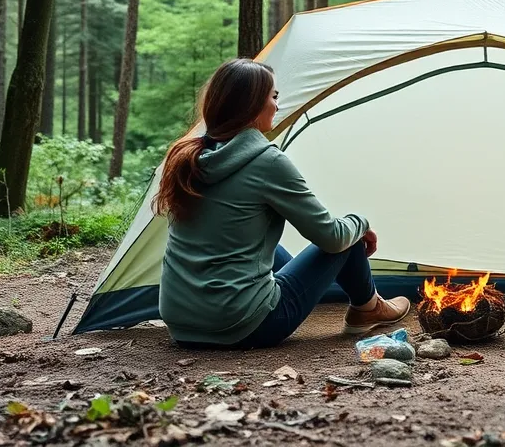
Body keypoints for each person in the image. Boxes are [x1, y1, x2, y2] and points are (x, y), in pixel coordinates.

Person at [155, 58, 410, 349]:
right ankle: (368, 308)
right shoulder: (266, 162)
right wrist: (361, 223)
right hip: (245, 325)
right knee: (346, 236)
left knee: (242, 233)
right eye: (274, 97)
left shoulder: (186, 155)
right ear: (252, 105)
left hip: (180, 323)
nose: (277, 105)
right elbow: (331, 237)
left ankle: (361, 302)